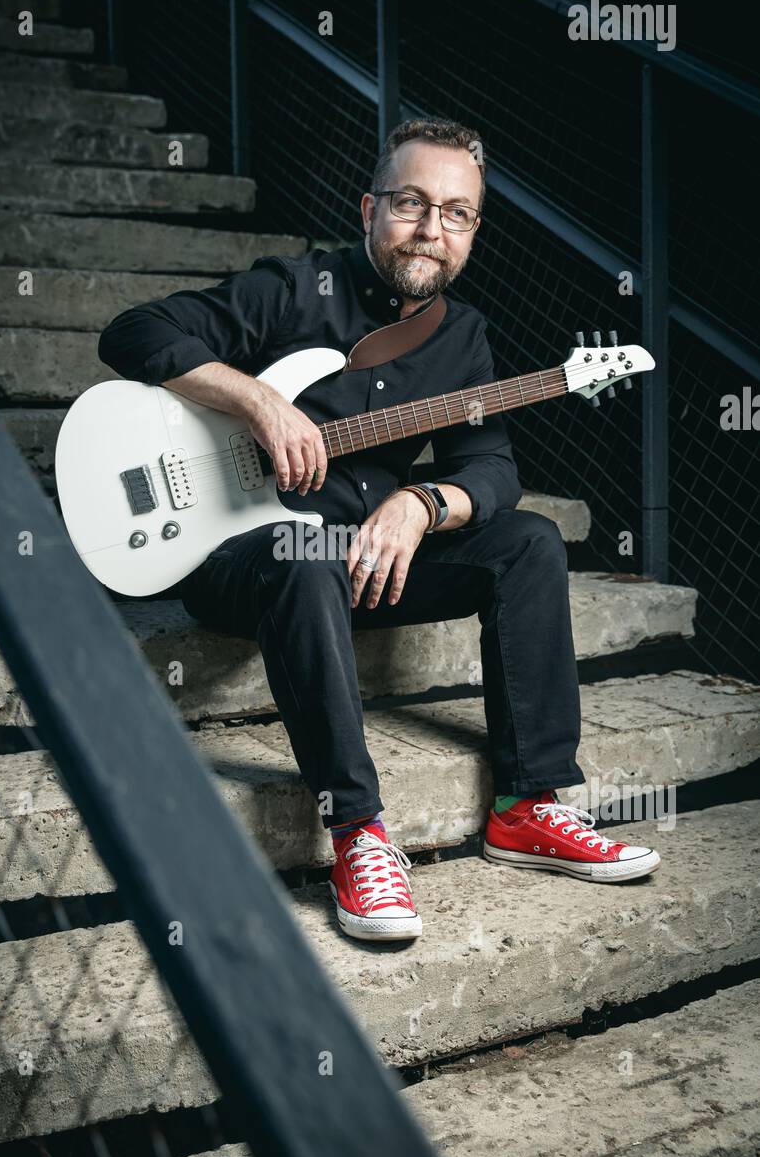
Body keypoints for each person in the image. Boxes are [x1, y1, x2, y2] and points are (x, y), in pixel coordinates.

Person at [98, 117, 660, 943]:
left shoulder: (462, 337)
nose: (432, 229)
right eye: (411, 203)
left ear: (472, 230)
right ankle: (358, 832)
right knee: (302, 556)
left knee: (531, 542)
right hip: (240, 557)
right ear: (370, 209)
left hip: (362, 563)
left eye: (457, 213)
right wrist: (255, 401)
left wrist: (423, 504)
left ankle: (525, 807)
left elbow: (492, 469)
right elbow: (131, 332)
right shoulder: (293, 290)